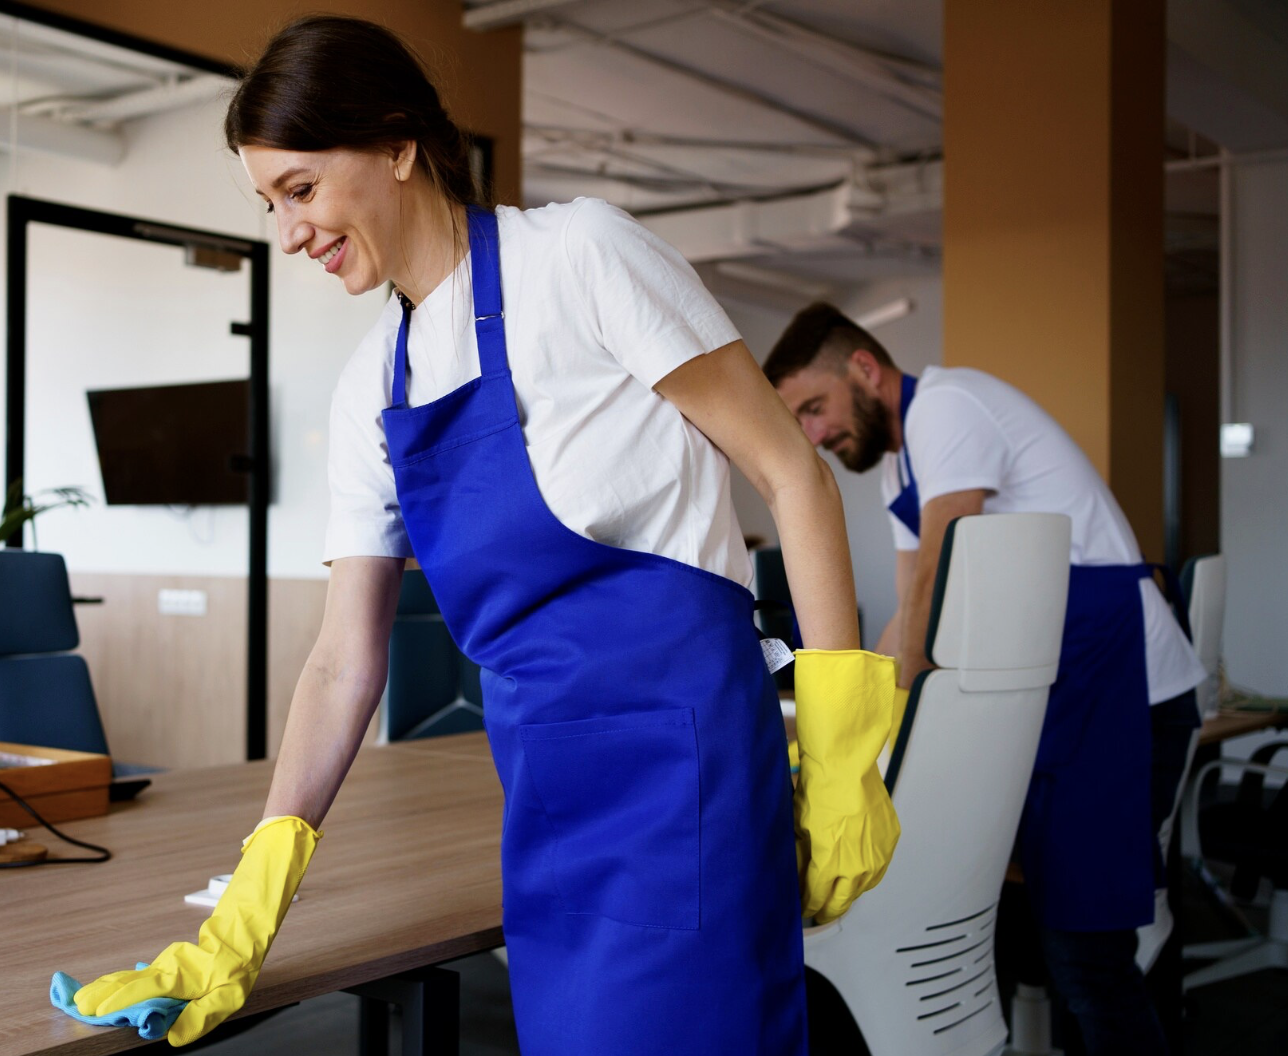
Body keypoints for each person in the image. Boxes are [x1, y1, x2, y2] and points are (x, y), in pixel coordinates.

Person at [63, 18, 900, 1053]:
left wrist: (844, 755)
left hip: (686, 785)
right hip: (543, 803)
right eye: (270, 204)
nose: (290, 234)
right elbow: (340, 661)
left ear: (398, 143)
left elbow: (794, 474)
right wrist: (247, 910)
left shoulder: (582, 258)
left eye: (302, 189)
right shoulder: (377, 382)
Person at [765, 304, 1205, 1056]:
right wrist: (862, 720)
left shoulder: (946, 407)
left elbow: (939, 569)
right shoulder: (900, 466)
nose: (813, 436)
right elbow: (907, 616)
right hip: (1066, 698)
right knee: (1061, 939)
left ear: (864, 370)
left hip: (1122, 689)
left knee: (1086, 951)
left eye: (814, 408)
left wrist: (895, 716)